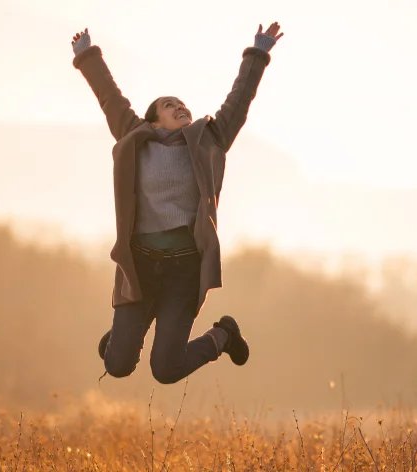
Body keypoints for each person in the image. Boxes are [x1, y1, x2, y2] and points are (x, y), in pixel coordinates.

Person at [70, 21, 283, 384]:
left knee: (165, 370)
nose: (180, 107)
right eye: (170, 106)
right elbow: (110, 96)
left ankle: (223, 335)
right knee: (117, 365)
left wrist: (258, 52)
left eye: (183, 104)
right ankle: (125, 337)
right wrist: (87, 55)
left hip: (182, 272)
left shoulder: (208, 139)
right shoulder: (135, 136)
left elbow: (239, 100)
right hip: (139, 266)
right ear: (154, 121)